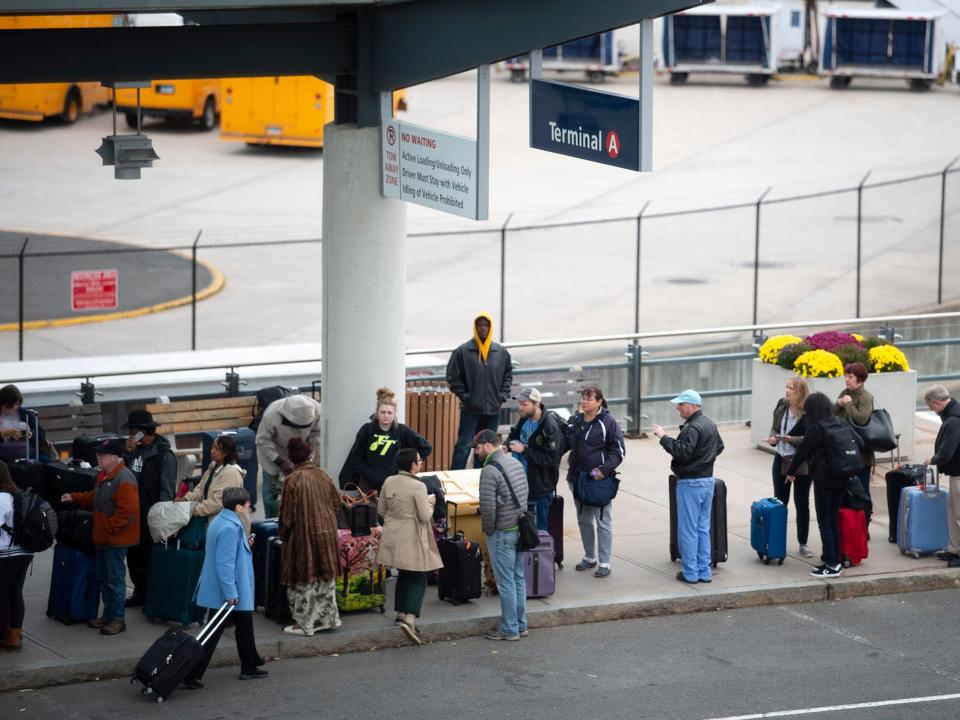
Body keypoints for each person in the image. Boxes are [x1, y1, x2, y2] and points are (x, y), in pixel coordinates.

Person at [187, 487, 266, 686]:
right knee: (213, 633)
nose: (249, 506)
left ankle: (250, 664)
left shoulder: (221, 521)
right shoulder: (231, 528)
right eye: (247, 503)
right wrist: (230, 593)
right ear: (238, 506)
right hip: (231, 591)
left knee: (244, 627)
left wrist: (244, 544)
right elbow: (225, 563)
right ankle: (191, 673)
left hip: (229, 589)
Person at [61, 438, 139, 635]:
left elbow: (128, 512)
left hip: (114, 539)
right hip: (104, 537)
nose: (98, 458)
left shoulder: (124, 478)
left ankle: (117, 619)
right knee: (104, 578)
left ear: (114, 458)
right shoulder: (104, 475)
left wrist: (109, 528)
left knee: (114, 579)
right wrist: (75, 497)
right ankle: (108, 615)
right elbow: (95, 498)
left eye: (101, 455)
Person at [653, 389, 724, 585]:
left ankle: (691, 573)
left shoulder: (692, 428)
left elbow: (682, 451)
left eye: (681, 404)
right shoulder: (709, 423)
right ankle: (704, 571)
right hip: (707, 481)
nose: (678, 408)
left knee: (689, 530)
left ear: (693, 405)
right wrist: (705, 460)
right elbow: (719, 446)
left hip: (690, 483)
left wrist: (663, 437)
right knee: (703, 529)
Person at [787, 392, 861, 578]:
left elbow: (802, 451)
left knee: (825, 522)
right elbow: (859, 442)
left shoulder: (816, 428)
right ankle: (834, 559)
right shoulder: (840, 422)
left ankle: (831, 564)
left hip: (824, 479)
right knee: (833, 519)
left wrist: (791, 472)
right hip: (842, 476)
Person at [375, 448, 443, 645]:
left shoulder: (389, 481)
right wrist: (430, 502)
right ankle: (410, 619)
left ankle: (400, 613)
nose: (420, 463)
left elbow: (381, 509)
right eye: (419, 460)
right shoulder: (419, 486)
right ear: (413, 464)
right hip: (413, 535)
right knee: (419, 575)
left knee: (404, 573)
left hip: (393, 533)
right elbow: (424, 516)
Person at [278, 437, 341, 637]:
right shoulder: (323, 475)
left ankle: (305, 624)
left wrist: (284, 537)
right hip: (327, 534)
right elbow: (337, 504)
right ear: (310, 455)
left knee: (304, 580)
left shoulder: (292, 480)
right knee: (325, 578)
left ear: (291, 458)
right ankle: (328, 619)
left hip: (303, 537)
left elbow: (287, 517)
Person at [476, 429, 528, 641]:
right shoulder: (514, 462)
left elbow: (487, 508)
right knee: (518, 578)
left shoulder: (489, 470)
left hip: (502, 532)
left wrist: (488, 531)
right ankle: (520, 624)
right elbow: (524, 493)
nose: (477, 452)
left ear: (488, 445)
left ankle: (508, 629)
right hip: (518, 528)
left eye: (478, 448)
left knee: (505, 582)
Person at [567, 387, 625, 578]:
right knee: (584, 519)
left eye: (589, 399)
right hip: (577, 478)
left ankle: (605, 563)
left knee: (603, 521)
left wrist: (603, 471)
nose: (584, 402)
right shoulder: (576, 420)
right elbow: (566, 444)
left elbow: (619, 452)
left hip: (598, 481)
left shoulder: (608, 422)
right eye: (583, 398)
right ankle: (590, 557)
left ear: (599, 402)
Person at [121, 409, 177, 608]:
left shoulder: (163, 454)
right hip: (131, 513)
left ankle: (153, 595)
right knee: (134, 555)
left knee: (149, 557)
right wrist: (125, 454)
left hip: (150, 513)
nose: (130, 436)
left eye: (132, 432)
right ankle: (140, 592)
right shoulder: (132, 451)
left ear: (142, 431)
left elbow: (167, 489)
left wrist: (160, 517)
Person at [446, 312, 514, 470]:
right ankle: (456, 475)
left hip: (492, 410)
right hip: (470, 410)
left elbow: (508, 375)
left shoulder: (500, 353)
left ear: (490, 328)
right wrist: (466, 397)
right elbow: (452, 377)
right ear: (475, 328)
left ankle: (483, 476)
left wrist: (501, 396)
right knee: (463, 447)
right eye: (480, 325)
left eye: (486, 325)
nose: (483, 328)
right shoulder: (463, 351)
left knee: (487, 447)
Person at [339, 387, 432, 494]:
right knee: (372, 511)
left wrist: (408, 467)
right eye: (383, 412)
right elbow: (355, 458)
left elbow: (426, 447)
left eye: (389, 412)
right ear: (377, 412)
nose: (386, 416)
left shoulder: (402, 431)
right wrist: (368, 473)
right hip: (369, 487)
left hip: (396, 486)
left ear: (395, 413)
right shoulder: (367, 430)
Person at [765, 376, 813, 557]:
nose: (787, 390)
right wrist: (773, 437)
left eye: (791, 388)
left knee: (802, 503)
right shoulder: (782, 405)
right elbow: (775, 428)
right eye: (786, 386)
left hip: (800, 461)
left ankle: (803, 543)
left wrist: (790, 440)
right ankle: (777, 542)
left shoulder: (808, 412)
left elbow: (809, 439)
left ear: (800, 392)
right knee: (779, 501)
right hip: (781, 458)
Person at [255, 394, 322, 519]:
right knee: (271, 492)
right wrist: (279, 461)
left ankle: (297, 520)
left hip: (300, 450)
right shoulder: (272, 414)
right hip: (275, 449)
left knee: (300, 489)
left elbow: (317, 436)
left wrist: (313, 459)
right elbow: (262, 440)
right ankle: (271, 520)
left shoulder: (318, 411)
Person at [507, 387, 563, 531]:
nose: (521, 407)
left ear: (536, 404)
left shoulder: (549, 426)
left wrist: (524, 451)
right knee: (523, 524)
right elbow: (514, 435)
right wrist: (505, 446)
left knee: (540, 528)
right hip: (522, 480)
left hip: (541, 485)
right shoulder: (525, 418)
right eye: (520, 404)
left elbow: (550, 458)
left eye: (524, 404)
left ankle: (540, 554)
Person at [922, 385, 960, 567]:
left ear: (937, 403)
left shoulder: (953, 420)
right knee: (953, 513)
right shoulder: (954, 414)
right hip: (956, 474)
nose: (932, 411)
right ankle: (954, 550)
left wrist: (932, 460)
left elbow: (947, 452)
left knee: (959, 515)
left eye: (931, 408)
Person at [176, 434, 245, 524]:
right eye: (212, 447)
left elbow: (218, 503)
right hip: (210, 521)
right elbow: (200, 489)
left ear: (226, 452)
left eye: (217, 449)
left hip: (224, 524)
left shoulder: (231, 473)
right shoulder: (213, 465)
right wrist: (186, 499)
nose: (212, 451)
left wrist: (192, 510)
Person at [0, 462, 32, 651]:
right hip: (24, 552)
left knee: (2, 593)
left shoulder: (1, 498)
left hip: (6, 553)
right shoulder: (17, 494)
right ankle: (14, 635)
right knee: (15, 593)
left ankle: (4, 634)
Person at [834, 362, 875, 502]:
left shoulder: (865, 397)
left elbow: (861, 419)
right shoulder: (845, 393)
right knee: (844, 491)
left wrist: (849, 404)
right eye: (846, 376)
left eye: (850, 377)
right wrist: (837, 405)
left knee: (861, 489)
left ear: (860, 379)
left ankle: (864, 519)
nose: (847, 379)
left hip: (861, 454)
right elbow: (832, 418)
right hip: (844, 451)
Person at [0, 384, 52, 463]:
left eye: (17, 404)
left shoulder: (25, 413)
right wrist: (3, 434)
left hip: (29, 454)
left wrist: (30, 435)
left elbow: (41, 434)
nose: (16, 407)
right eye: (12, 405)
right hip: (3, 457)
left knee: (47, 463)